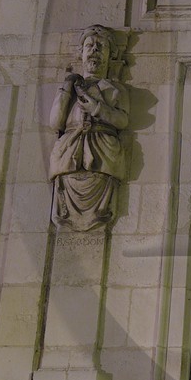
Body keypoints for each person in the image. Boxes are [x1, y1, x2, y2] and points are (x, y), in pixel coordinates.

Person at [49, 25, 130, 230]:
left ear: (110, 56)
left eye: (100, 47)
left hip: (102, 149)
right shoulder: (70, 88)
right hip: (71, 149)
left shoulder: (114, 89)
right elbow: (56, 122)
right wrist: (66, 90)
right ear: (81, 53)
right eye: (89, 46)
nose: (94, 50)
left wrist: (96, 108)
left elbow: (122, 120)